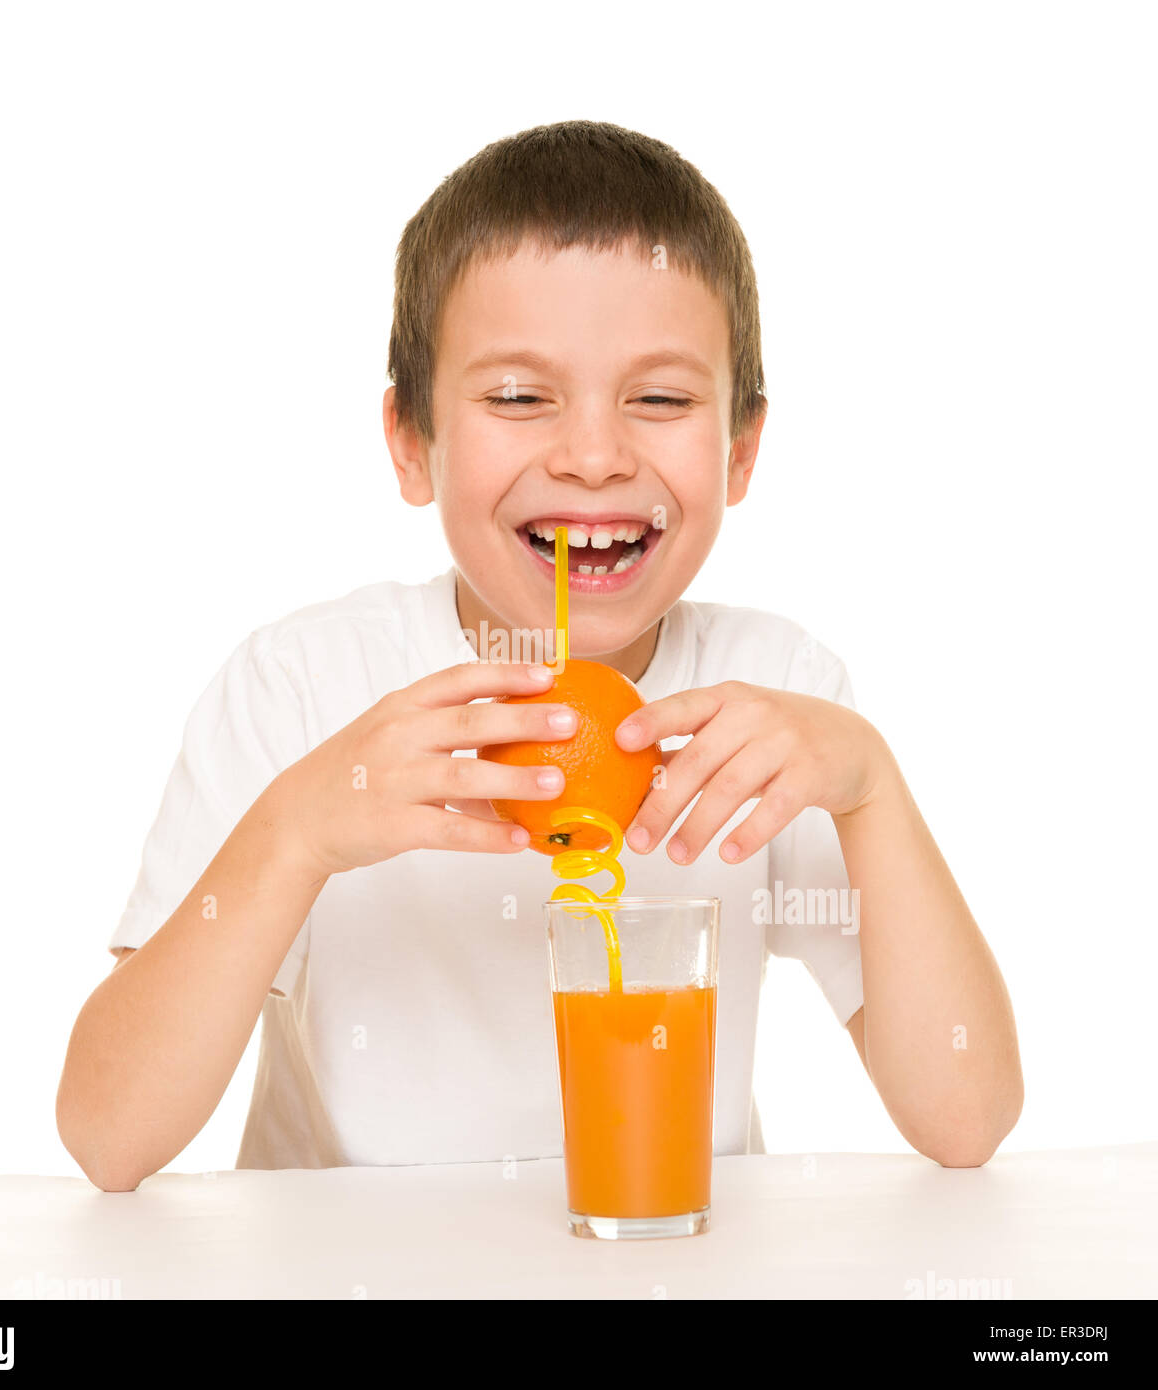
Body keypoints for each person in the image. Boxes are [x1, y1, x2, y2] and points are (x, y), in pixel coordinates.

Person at [56, 121, 1022, 1192]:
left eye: (658, 398)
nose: (595, 456)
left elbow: (964, 1116)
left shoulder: (777, 700)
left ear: (740, 448)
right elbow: (110, 1134)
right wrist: (292, 835)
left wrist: (869, 789)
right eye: (518, 397)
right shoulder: (299, 688)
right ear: (410, 442)